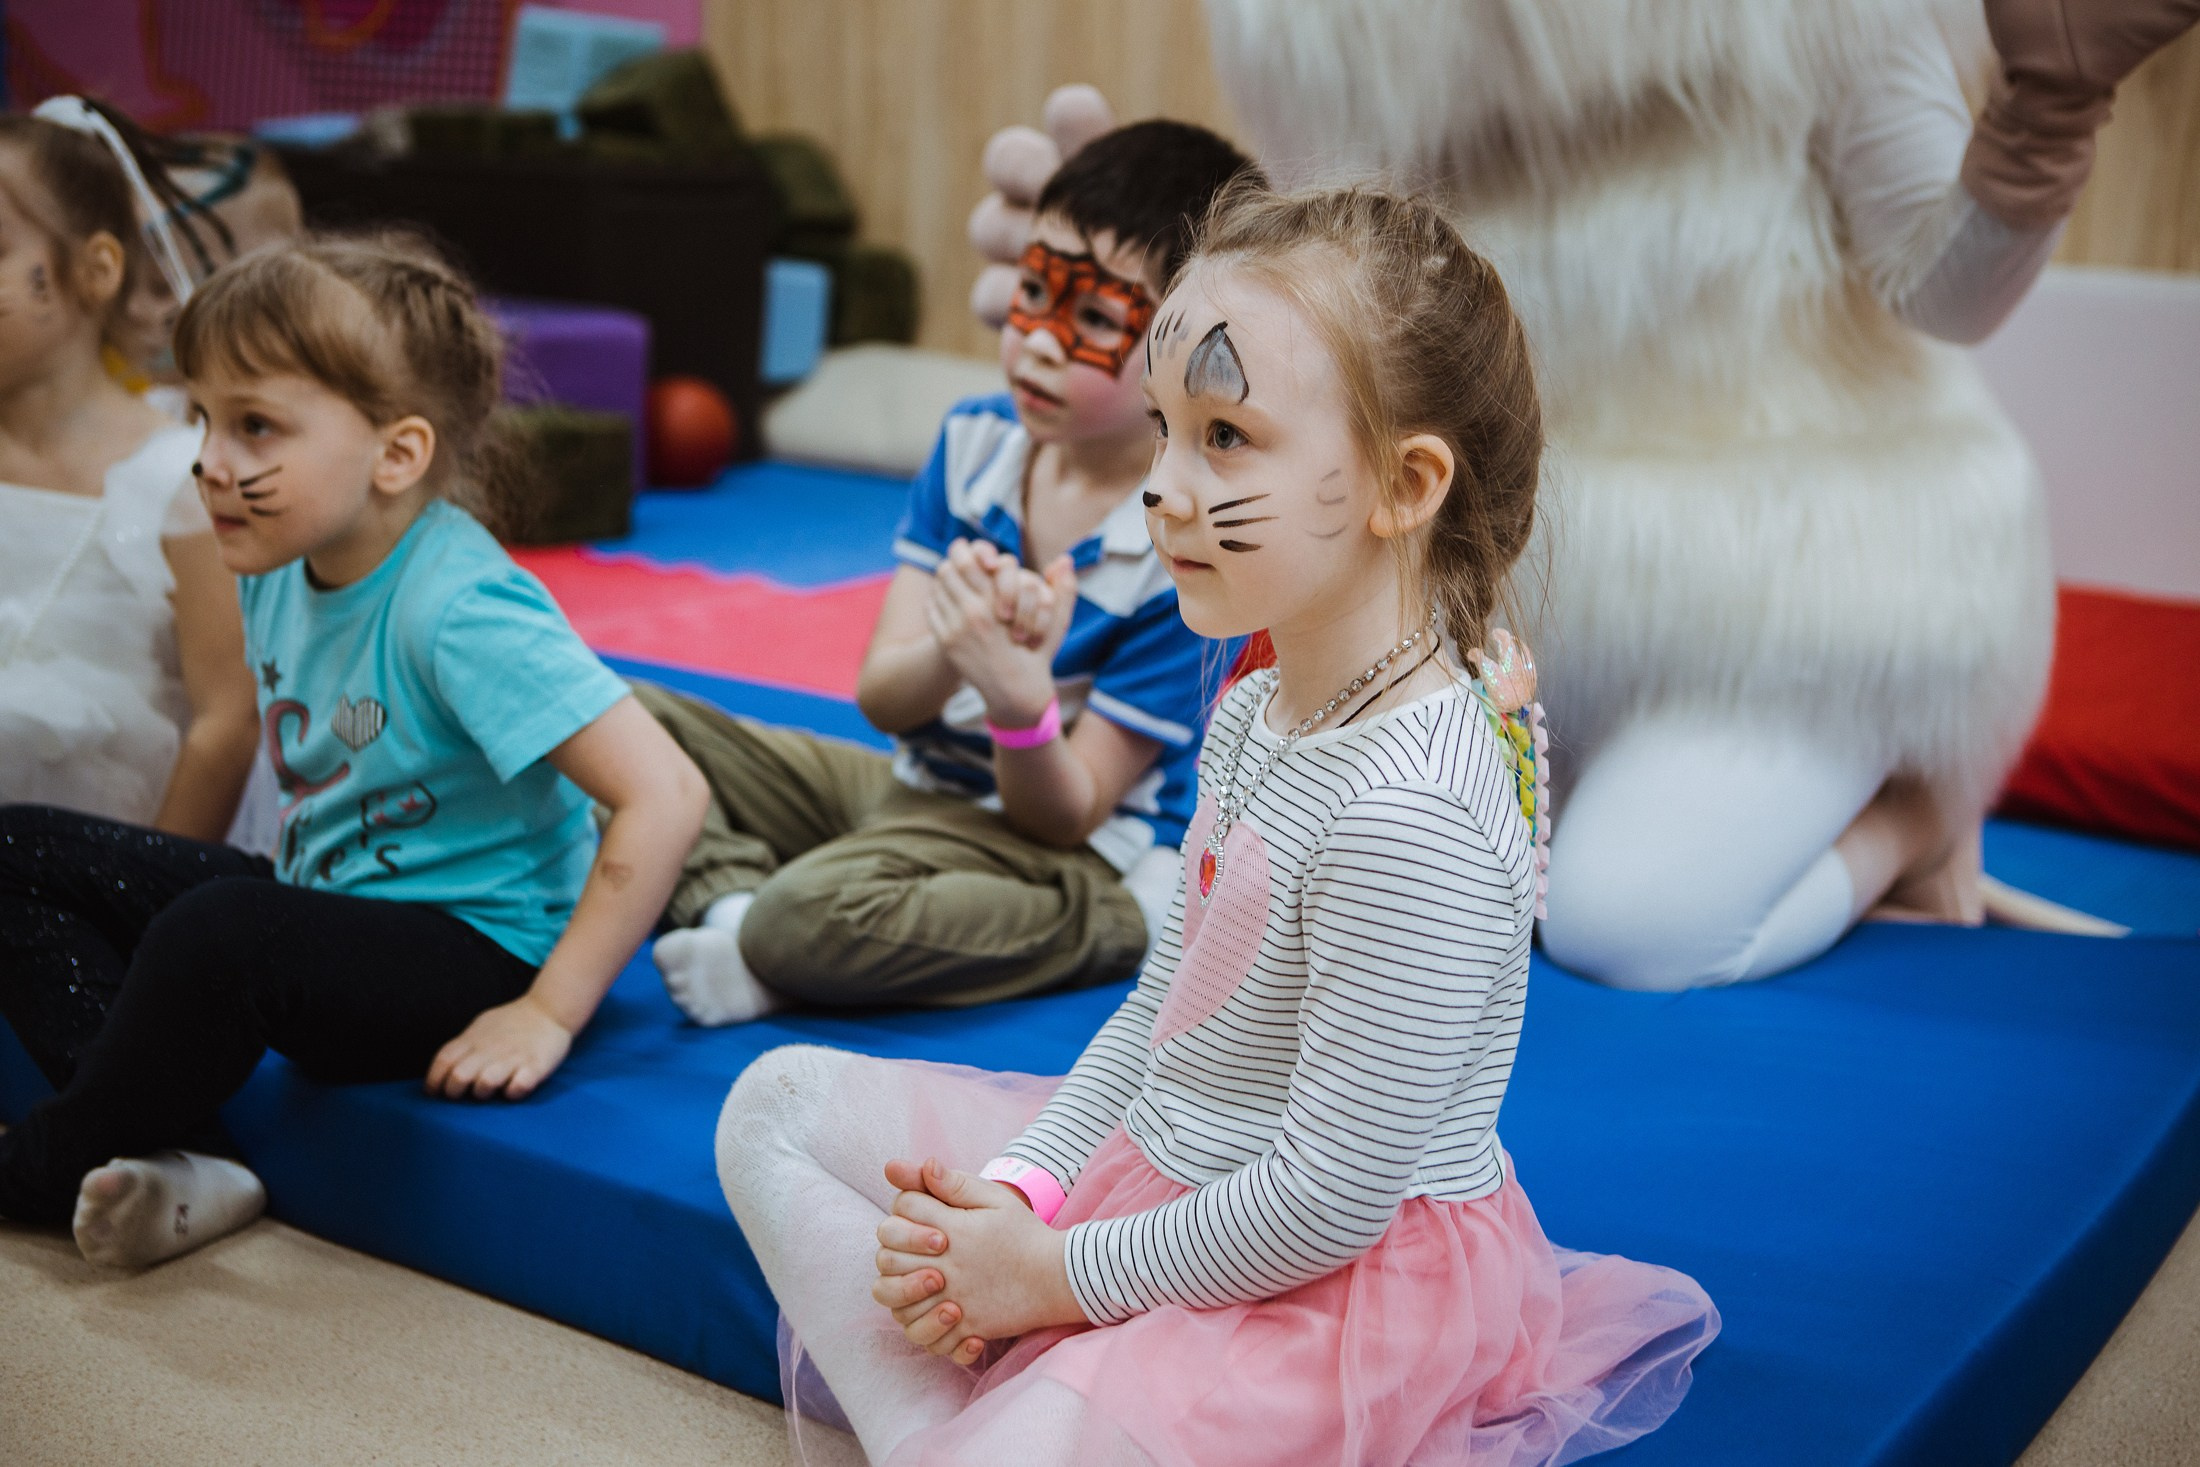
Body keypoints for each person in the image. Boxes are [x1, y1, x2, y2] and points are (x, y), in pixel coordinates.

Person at [715, 186, 1718, 1467]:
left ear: (1403, 485)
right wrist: (1022, 1192)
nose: (1164, 489)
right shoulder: (1256, 709)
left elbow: (1326, 1201)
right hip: (1163, 1173)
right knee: (774, 1108)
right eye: (1164, 427)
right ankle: (949, 1429)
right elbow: (1161, 1011)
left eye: (1227, 436)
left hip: (1320, 1288)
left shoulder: (1409, 807)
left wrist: (1050, 1276)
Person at [968, 0, 2200, 990]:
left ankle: (1909, 820)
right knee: (1369, 885)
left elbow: (1939, 288)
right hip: (1498, 572)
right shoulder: (1331, 32)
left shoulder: (1811, 20)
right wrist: (1116, 271)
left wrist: (2043, 113)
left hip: (1801, 580)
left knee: (1633, 932)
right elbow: (1338, 271)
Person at [0, 233, 707, 1268]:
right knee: (17, 850)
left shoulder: (460, 608)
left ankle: (50, 1158)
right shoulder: (277, 554)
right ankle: (176, 1158)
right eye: (201, 418)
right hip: (330, 904)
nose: (208, 461)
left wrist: (546, 1013)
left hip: (473, 947)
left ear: (397, 454)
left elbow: (667, 792)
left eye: (254, 426)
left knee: (221, 930)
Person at [646, 120, 1256, 1024]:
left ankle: (1121, 921)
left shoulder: (1181, 542)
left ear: (1186, 349)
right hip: (915, 784)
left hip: (1058, 844)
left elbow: (1070, 812)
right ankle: (743, 917)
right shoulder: (974, 442)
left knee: (809, 913)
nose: (1041, 342)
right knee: (620, 724)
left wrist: (1018, 704)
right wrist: (954, 647)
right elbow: (885, 699)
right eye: (1036, 293)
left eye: (1092, 319)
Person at [0, 101, 259, 839]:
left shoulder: (181, 475)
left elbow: (226, 718)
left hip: (105, 878)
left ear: (96, 270)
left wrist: (138, 893)